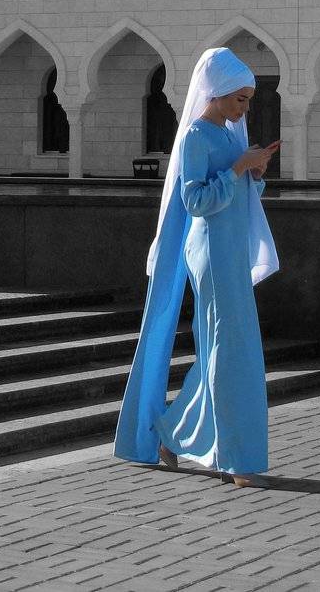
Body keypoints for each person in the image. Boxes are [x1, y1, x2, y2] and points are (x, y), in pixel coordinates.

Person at [113, 47, 281, 487]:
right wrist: (238, 168)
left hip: (231, 250)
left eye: (248, 100)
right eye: (239, 99)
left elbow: (236, 197)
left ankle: (174, 433)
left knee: (228, 351)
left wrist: (254, 173)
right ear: (217, 92)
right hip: (210, 252)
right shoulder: (195, 136)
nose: (244, 109)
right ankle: (236, 459)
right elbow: (196, 201)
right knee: (229, 351)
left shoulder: (229, 137)